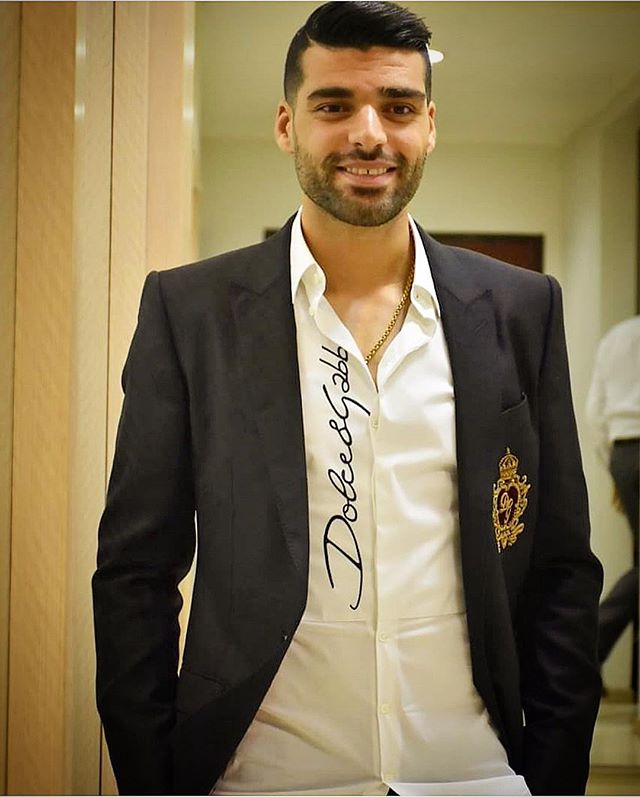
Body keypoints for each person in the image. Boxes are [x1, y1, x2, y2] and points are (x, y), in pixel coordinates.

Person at [92, 3, 603, 795]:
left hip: (470, 770)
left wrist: (554, 775)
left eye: (398, 107)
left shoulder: (519, 309)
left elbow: (560, 567)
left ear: (429, 125)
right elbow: (136, 570)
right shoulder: (190, 313)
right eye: (334, 105)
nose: (369, 134)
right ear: (287, 124)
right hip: (264, 773)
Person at [586, 315, 640, 675]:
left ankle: (586, 649)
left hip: (623, 451)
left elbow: (594, 414)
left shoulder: (617, 337)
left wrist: (615, 470)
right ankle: (587, 648)